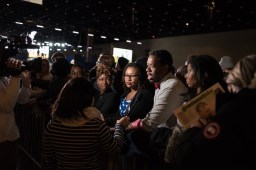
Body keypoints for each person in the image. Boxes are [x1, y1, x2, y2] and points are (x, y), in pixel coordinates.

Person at [174, 54, 256, 170]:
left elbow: (187, 158)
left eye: (189, 71)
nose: (186, 75)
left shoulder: (231, 108)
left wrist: (192, 130)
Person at [42, 77, 130, 170]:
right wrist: (120, 126)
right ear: (87, 99)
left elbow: (48, 158)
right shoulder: (95, 125)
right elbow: (114, 149)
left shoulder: (53, 125)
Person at [125, 49, 187, 169]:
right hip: (160, 134)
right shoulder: (162, 84)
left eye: (151, 66)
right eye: (147, 66)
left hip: (166, 139)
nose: (146, 70)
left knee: (131, 137)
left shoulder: (171, 85)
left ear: (164, 68)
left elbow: (151, 122)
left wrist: (123, 127)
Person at [0, 58, 31, 170]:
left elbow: (21, 100)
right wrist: (14, 77)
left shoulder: (4, 78)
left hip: (11, 136)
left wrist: (26, 85)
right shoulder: (8, 77)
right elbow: (7, 106)